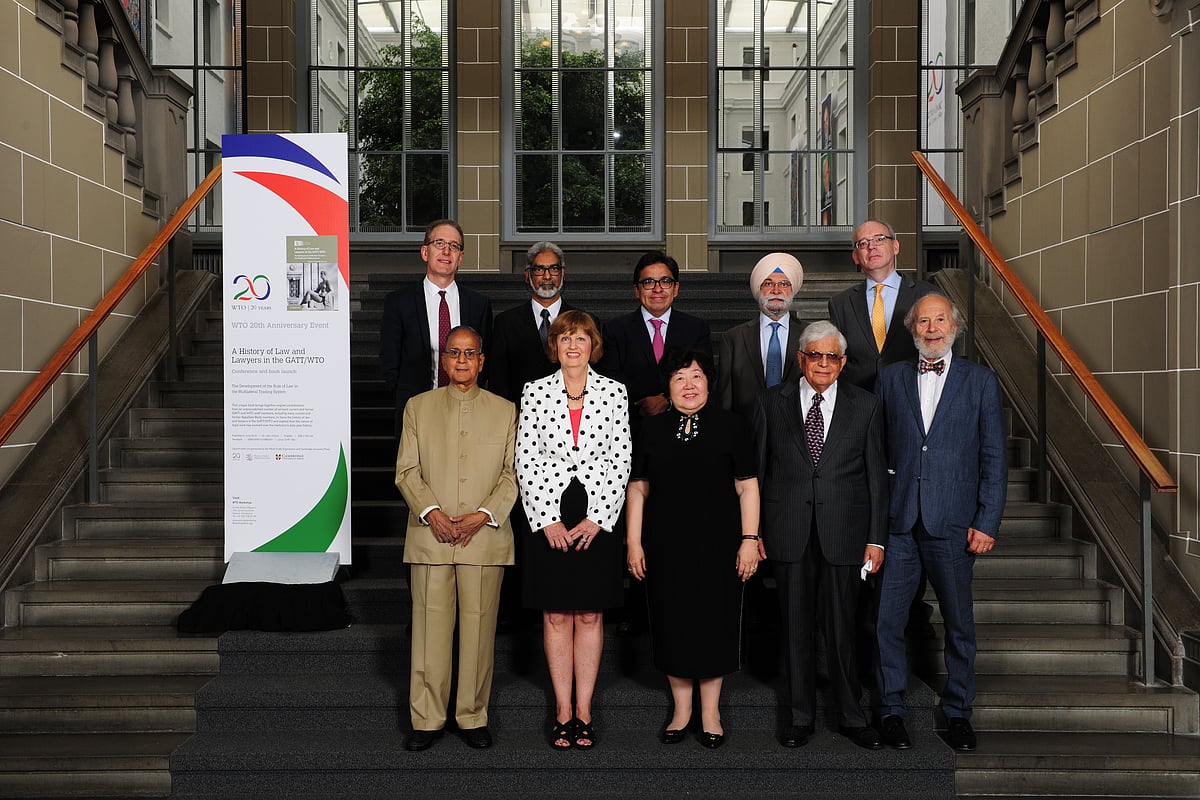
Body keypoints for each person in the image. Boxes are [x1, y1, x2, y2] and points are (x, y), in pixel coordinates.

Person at [874, 292, 1007, 752]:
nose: (932, 329)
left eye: (940, 320)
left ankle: (957, 713)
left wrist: (987, 520)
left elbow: (993, 456)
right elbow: (877, 454)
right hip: (899, 522)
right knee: (886, 622)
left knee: (959, 624)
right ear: (912, 331)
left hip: (954, 524)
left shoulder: (981, 382)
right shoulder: (889, 380)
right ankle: (890, 710)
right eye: (923, 322)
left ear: (955, 326)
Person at [753, 320, 887, 751]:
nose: (823, 363)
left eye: (832, 356)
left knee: (844, 628)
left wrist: (876, 538)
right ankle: (799, 717)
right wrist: (751, 533)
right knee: (794, 628)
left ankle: (851, 715)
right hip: (787, 530)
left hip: (845, 533)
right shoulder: (771, 402)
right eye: (815, 355)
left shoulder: (865, 406)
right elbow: (756, 472)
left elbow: (877, 479)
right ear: (800, 360)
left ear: (844, 362)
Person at [625, 348, 761, 749]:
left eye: (697, 376)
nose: (688, 384)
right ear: (668, 386)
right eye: (680, 377)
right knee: (672, 623)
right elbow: (638, 488)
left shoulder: (732, 427)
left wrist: (749, 540)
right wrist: (633, 542)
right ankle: (681, 710)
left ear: (709, 383)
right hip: (665, 546)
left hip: (720, 546)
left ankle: (710, 712)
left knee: (713, 623)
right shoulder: (651, 429)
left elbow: (746, 485)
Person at [393, 326, 518, 752]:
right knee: (429, 630)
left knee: (480, 632)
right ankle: (426, 719)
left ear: (483, 361)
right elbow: (406, 470)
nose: (462, 360)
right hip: (431, 537)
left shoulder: (506, 411)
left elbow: (513, 473)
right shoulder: (418, 407)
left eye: (470, 353)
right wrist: (432, 513)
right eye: (453, 352)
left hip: (484, 538)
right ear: (442, 360)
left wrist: (483, 515)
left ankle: (472, 715)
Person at [516, 310, 632, 750]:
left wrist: (598, 518)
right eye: (565, 338)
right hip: (548, 511)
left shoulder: (614, 392)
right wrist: (546, 517)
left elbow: (621, 457)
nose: (572, 345)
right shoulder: (534, 391)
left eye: (581, 338)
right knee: (555, 614)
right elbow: (524, 456)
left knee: (589, 613)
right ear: (555, 345)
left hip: (597, 512)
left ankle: (584, 709)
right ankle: (562, 709)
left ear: (593, 345)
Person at [379, 219, 493, 436]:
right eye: (439, 244)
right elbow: (389, 361)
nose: (446, 251)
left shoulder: (479, 305)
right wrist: (407, 399)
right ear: (425, 252)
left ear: (460, 258)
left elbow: (484, 362)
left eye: (454, 246)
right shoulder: (398, 302)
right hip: (417, 410)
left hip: (467, 410)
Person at [598, 251, 712, 427]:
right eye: (648, 282)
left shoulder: (696, 328)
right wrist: (646, 402)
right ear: (637, 290)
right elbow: (610, 378)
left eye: (665, 282)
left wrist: (667, 400)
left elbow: (707, 376)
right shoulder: (616, 329)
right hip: (631, 424)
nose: (657, 289)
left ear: (676, 289)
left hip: (683, 423)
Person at [828, 219, 936, 391]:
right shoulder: (841, 303)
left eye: (879, 239)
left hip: (913, 396)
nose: (872, 247)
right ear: (855, 256)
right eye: (863, 243)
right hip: (858, 401)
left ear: (895, 247)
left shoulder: (927, 295)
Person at [487, 241, 586, 407]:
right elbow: (498, 383)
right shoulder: (505, 324)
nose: (547, 276)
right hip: (521, 419)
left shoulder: (584, 322)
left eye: (554, 269)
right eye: (539, 269)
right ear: (527, 275)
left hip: (573, 418)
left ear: (563, 273)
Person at [717, 252, 805, 420]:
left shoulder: (809, 335)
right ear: (759, 289)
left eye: (784, 284)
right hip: (746, 429)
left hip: (796, 430)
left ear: (793, 289)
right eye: (768, 283)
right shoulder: (733, 338)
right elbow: (725, 397)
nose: (776, 290)